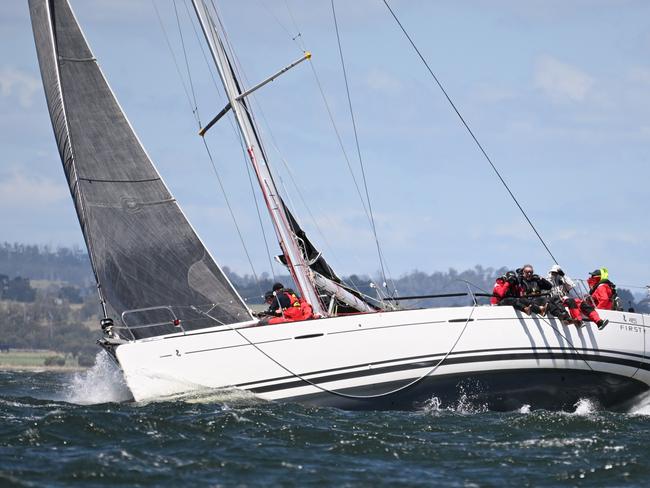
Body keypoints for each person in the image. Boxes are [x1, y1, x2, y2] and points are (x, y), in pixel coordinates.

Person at [547, 265, 608, 329]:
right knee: (571, 301)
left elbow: (572, 285)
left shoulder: (562, 279)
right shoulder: (549, 279)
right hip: (556, 301)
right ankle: (579, 321)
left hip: (564, 299)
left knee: (582, 303)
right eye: (553, 272)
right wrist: (552, 277)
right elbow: (548, 285)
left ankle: (599, 322)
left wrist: (563, 276)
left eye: (557, 273)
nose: (555, 274)